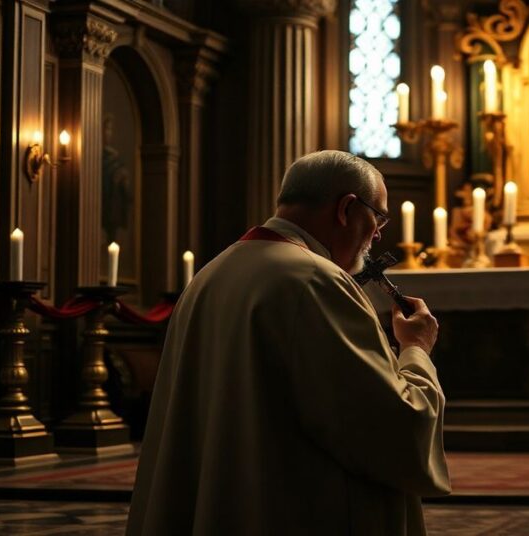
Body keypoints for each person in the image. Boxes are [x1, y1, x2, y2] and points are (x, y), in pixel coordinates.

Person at [127, 151, 451, 535]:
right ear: (347, 209)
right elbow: (393, 426)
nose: (378, 234)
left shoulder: (210, 275)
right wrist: (415, 348)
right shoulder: (316, 279)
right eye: (377, 217)